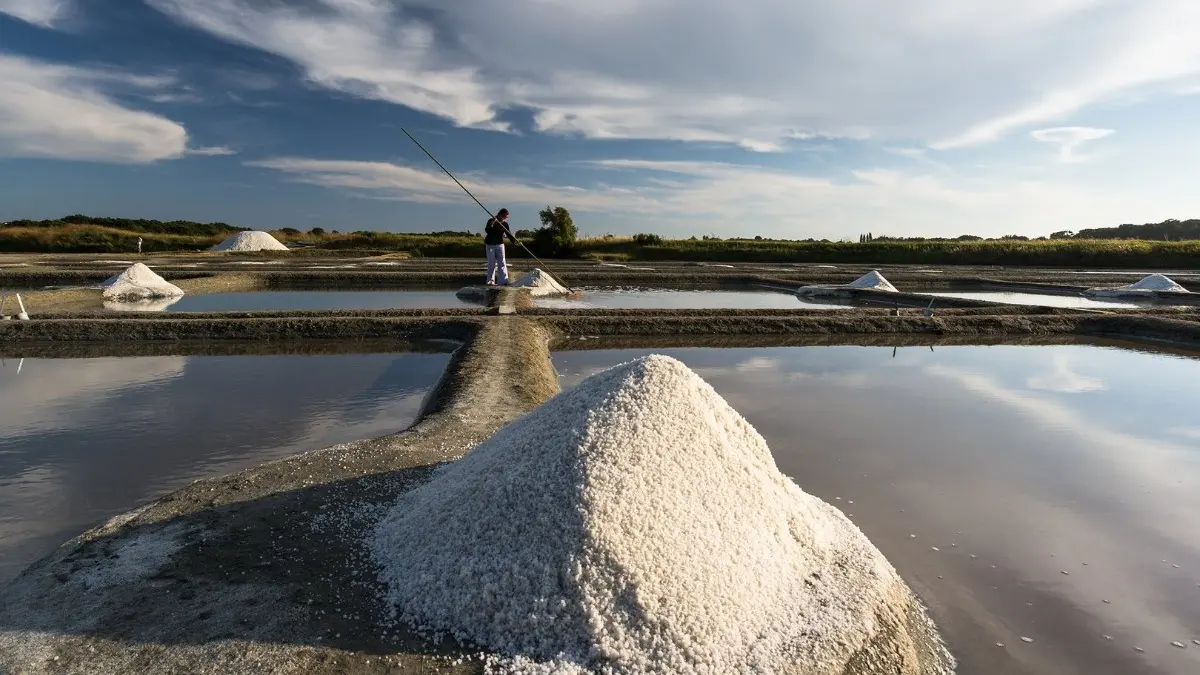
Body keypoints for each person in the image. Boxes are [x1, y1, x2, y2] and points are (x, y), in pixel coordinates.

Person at [483, 207, 517, 285]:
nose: (506, 218)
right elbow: (487, 230)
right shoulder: (491, 220)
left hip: (500, 244)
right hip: (490, 244)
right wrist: (493, 222)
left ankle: (503, 281)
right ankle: (490, 281)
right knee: (491, 263)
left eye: (506, 217)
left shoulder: (505, 224)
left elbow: (508, 234)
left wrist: (514, 242)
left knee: (502, 262)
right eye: (505, 217)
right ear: (501, 215)